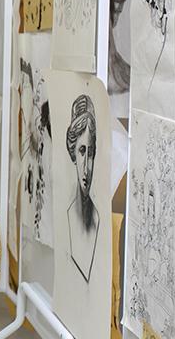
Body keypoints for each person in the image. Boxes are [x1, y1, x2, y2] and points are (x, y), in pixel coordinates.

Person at [65, 94, 99, 283]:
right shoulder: (68, 215)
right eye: (82, 151)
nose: (86, 166)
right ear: (72, 152)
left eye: (91, 152)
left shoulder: (98, 219)